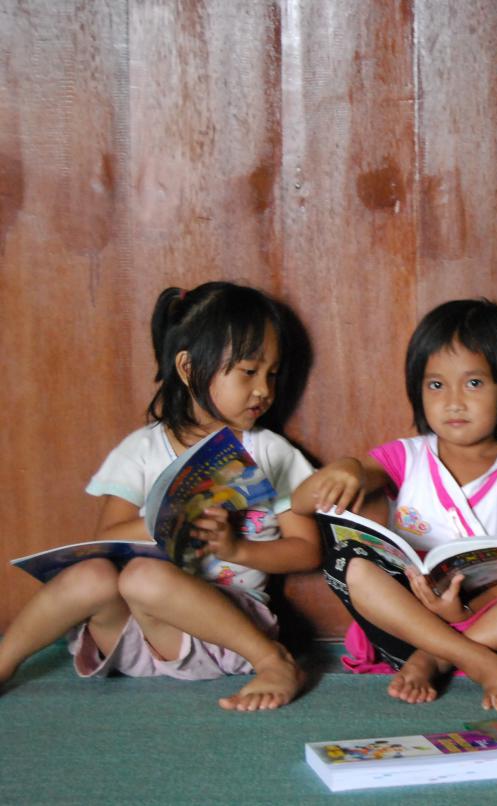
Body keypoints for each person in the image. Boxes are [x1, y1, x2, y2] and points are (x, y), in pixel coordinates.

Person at [0, 282, 320, 711]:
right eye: (249, 371)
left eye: (272, 374)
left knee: (143, 577)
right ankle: (4, 662)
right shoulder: (142, 449)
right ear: (188, 367)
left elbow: (307, 550)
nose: (264, 388)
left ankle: (273, 661)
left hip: (228, 633)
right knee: (94, 574)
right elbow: (107, 536)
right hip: (134, 636)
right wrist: (170, 517)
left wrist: (237, 549)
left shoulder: (270, 452)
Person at [293, 299, 497, 711]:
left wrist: (462, 611)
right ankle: (469, 658)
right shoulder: (405, 458)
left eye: (474, 383)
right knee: (346, 558)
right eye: (436, 385)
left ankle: (437, 657)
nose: (453, 402)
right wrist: (348, 468)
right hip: (406, 628)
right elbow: (302, 502)